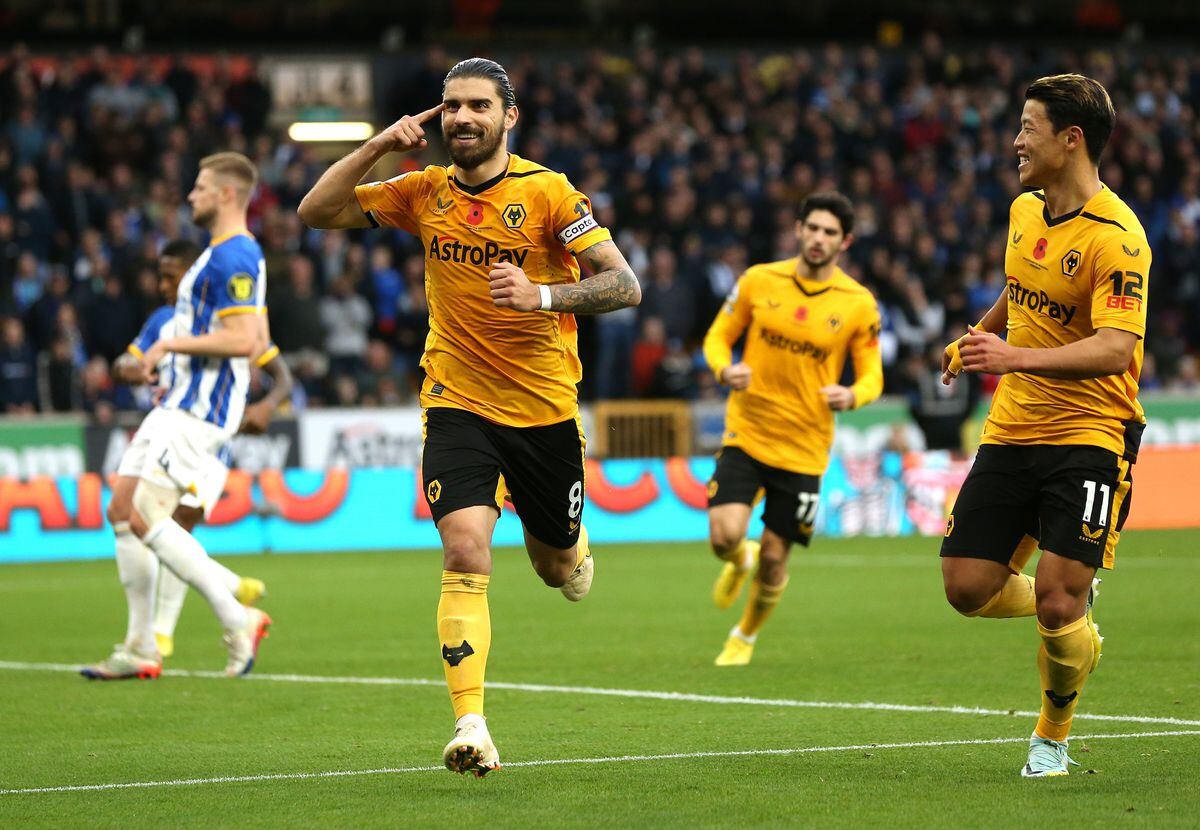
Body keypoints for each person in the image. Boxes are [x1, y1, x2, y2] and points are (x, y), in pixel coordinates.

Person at [300, 57, 640, 777]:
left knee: (555, 568)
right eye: (451, 105)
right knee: (464, 551)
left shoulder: (549, 193)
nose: (461, 117)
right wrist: (375, 146)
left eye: (478, 106)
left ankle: (572, 550)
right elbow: (316, 212)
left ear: (508, 117)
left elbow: (625, 283)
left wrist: (543, 297)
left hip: (544, 412)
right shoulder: (423, 191)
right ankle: (472, 724)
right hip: (455, 401)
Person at [939, 74, 1149, 778]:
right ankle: (1076, 594)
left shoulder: (1119, 239)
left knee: (1057, 607)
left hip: (1092, 433)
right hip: (1013, 428)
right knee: (966, 588)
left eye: (1027, 127)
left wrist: (1012, 356)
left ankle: (1051, 736)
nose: (1015, 140)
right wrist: (978, 337)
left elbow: (1117, 348)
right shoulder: (1025, 210)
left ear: (1071, 139)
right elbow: (1020, 286)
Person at [81, 152, 274, 680]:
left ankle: (236, 616)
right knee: (123, 511)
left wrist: (169, 345)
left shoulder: (233, 257)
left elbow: (242, 341)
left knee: (145, 515)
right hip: (178, 403)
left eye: (200, 188)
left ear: (227, 195)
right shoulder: (222, 255)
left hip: (199, 409)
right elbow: (255, 334)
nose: (191, 196)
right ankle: (143, 644)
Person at [702, 192, 883, 667]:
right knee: (723, 536)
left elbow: (872, 374)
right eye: (813, 228)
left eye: (830, 233)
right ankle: (740, 558)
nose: (819, 239)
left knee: (777, 559)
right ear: (798, 229)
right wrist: (724, 370)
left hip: (804, 447)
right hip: (748, 430)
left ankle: (744, 635)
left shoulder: (859, 304)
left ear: (845, 242)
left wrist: (854, 395)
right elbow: (718, 338)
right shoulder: (758, 281)